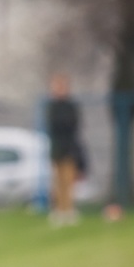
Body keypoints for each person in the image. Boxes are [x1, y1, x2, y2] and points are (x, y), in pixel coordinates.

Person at [46, 73, 81, 226]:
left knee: (69, 181)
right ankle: (59, 210)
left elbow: (73, 125)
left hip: (69, 148)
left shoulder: (71, 106)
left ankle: (69, 210)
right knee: (57, 182)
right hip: (57, 149)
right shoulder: (52, 106)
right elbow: (53, 125)